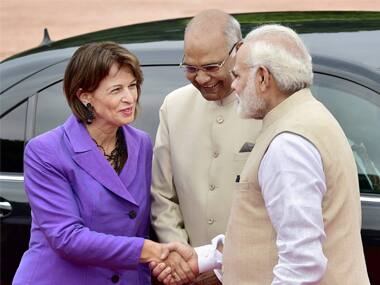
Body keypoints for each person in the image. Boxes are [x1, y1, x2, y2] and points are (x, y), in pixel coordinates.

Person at [153, 24, 371, 285]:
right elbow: (267, 234)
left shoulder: (289, 144)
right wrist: (203, 257)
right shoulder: (309, 115)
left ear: (263, 78)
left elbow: (301, 264)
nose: (234, 86)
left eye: (238, 76)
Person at [12, 42, 189, 285]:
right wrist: (150, 252)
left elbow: (141, 224)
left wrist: (158, 263)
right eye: (116, 90)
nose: (130, 98)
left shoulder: (142, 144)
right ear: (85, 96)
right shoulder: (45, 151)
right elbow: (67, 238)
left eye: (133, 86)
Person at [150, 9, 261, 283]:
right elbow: (163, 197)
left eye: (211, 67)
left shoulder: (265, 106)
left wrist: (223, 264)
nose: (200, 78)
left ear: (238, 50)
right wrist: (184, 259)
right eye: (190, 68)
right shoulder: (173, 107)